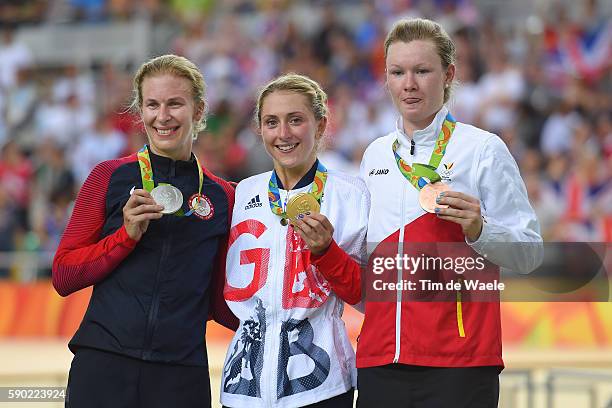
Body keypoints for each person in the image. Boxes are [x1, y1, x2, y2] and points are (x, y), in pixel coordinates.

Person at [318, 18, 543, 407]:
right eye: (398, 72)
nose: (409, 84)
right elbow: (369, 273)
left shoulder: (483, 149)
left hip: (460, 361)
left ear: (449, 74)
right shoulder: (374, 156)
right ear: (385, 78)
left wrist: (480, 230)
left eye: (422, 71)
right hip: (380, 358)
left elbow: (529, 252)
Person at [52, 54, 237, 408]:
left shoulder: (222, 195)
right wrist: (126, 236)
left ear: (198, 111)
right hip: (104, 364)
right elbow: (64, 275)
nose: (162, 116)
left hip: (181, 373)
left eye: (175, 104)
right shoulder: (108, 176)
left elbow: (216, 299)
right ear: (140, 111)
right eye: (152, 104)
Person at [220, 73, 369, 407]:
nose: (283, 134)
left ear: (320, 124)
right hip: (243, 389)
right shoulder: (242, 194)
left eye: (296, 120)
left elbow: (368, 297)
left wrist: (327, 252)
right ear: (259, 129)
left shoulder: (352, 195)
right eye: (271, 122)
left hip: (321, 385)